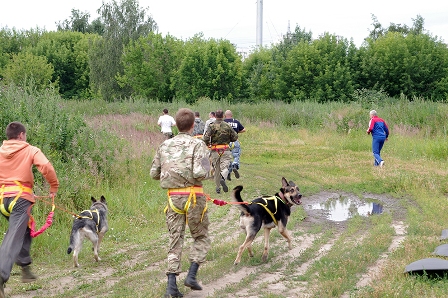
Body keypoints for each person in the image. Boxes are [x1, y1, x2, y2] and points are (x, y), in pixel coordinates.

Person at [150, 108, 212, 297]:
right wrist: (209, 169)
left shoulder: (164, 146)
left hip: (173, 199)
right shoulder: (198, 145)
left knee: (175, 239)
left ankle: (171, 286)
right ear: (194, 125)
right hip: (194, 198)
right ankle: (191, 275)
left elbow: (154, 173)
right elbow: (201, 173)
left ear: (176, 125)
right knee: (201, 237)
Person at [0, 122, 59, 297]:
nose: (25, 138)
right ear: (20, 135)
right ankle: (1, 275)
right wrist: (53, 187)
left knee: (22, 231)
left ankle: (25, 267)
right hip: (21, 201)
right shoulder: (30, 150)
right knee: (13, 238)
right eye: (24, 135)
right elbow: (46, 167)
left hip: (3, 200)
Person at [203, 110, 238, 194]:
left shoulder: (211, 126)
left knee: (217, 170)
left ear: (215, 116)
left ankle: (218, 188)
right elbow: (235, 137)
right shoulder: (227, 126)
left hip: (215, 150)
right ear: (223, 116)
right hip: (225, 149)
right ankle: (223, 179)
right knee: (225, 167)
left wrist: (208, 144)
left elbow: (205, 138)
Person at [224, 110, 246, 180]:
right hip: (234, 141)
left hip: (226, 142)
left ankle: (229, 170)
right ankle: (235, 165)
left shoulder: (223, 122)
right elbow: (244, 129)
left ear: (225, 115)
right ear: (232, 115)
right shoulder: (235, 121)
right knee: (236, 155)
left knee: (227, 157)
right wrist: (237, 131)